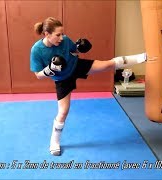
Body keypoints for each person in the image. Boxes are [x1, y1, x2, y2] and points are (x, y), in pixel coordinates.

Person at [30, 17, 147, 156]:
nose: (61, 37)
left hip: (76, 66)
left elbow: (74, 51)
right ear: (47, 34)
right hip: (62, 78)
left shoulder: (65, 40)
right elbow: (38, 75)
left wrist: (80, 48)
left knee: (107, 64)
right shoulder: (36, 50)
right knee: (63, 111)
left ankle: (143, 57)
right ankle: (54, 142)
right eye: (58, 35)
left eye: (62, 33)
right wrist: (49, 70)